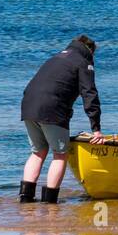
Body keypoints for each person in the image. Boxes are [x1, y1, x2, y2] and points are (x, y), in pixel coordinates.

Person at [18, 35, 105, 203]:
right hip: (52, 108)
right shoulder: (83, 62)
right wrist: (97, 129)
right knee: (59, 154)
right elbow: (90, 94)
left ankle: (25, 199)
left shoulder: (56, 57)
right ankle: (50, 202)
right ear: (90, 50)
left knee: (37, 152)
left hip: (28, 105)